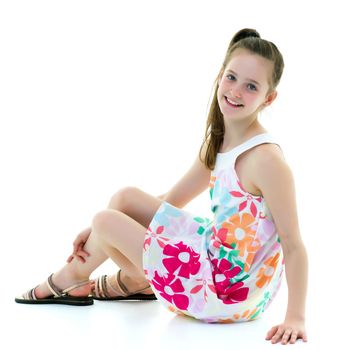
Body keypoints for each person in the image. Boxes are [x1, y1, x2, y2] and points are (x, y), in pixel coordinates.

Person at [15, 28, 308, 345]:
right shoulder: (221, 141)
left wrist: (295, 317)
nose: (236, 91)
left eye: (251, 86)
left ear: (269, 97)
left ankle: (71, 279)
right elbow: (171, 202)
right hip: (215, 258)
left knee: (106, 220)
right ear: (220, 75)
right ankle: (135, 281)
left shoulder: (266, 160)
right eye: (232, 78)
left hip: (228, 292)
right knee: (123, 198)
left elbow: (293, 244)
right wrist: (94, 230)